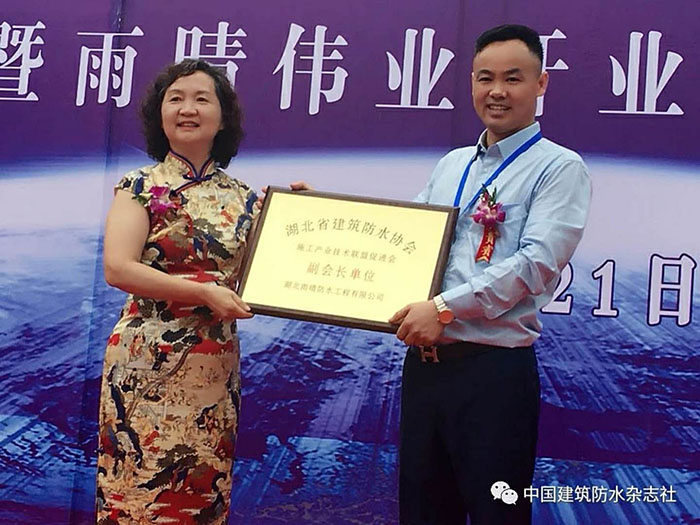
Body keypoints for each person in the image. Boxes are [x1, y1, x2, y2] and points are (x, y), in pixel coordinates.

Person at [388, 24, 592, 524]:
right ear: (472, 83)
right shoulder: (452, 164)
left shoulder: (559, 168)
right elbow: (403, 238)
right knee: (422, 514)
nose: (496, 91)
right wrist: (315, 217)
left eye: (512, 78)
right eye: (485, 78)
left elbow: (535, 263)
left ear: (541, 84)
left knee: (497, 514)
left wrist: (443, 308)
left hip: (493, 376)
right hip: (426, 370)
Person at [96, 59, 257, 524]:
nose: (188, 109)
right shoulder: (139, 186)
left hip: (213, 367)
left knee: (201, 494)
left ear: (223, 118)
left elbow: (264, 276)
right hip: (144, 364)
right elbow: (118, 268)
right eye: (176, 99)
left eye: (202, 99)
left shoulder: (248, 200)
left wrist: (299, 213)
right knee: (135, 492)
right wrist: (203, 292)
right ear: (160, 115)